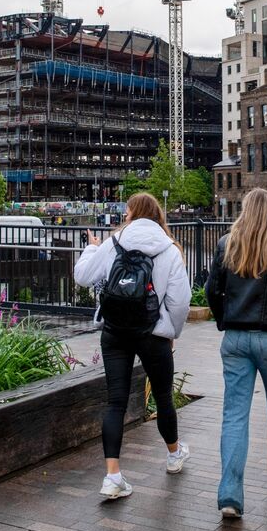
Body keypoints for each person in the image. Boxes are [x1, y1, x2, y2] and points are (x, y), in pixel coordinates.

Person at [74, 192, 192, 500]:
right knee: (164, 397)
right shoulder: (169, 249)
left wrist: (91, 248)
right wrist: (170, 330)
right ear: (157, 216)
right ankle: (174, 454)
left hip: (115, 331)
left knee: (116, 403)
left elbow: (83, 276)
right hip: (153, 333)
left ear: (131, 214)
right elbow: (180, 302)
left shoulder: (114, 243)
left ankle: (113, 476)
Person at [205, 188, 267, 519]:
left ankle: (230, 494)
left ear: (245, 210)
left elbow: (211, 290)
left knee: (234, 414)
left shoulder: (227, 243)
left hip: (235, 338)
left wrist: (225, 319)